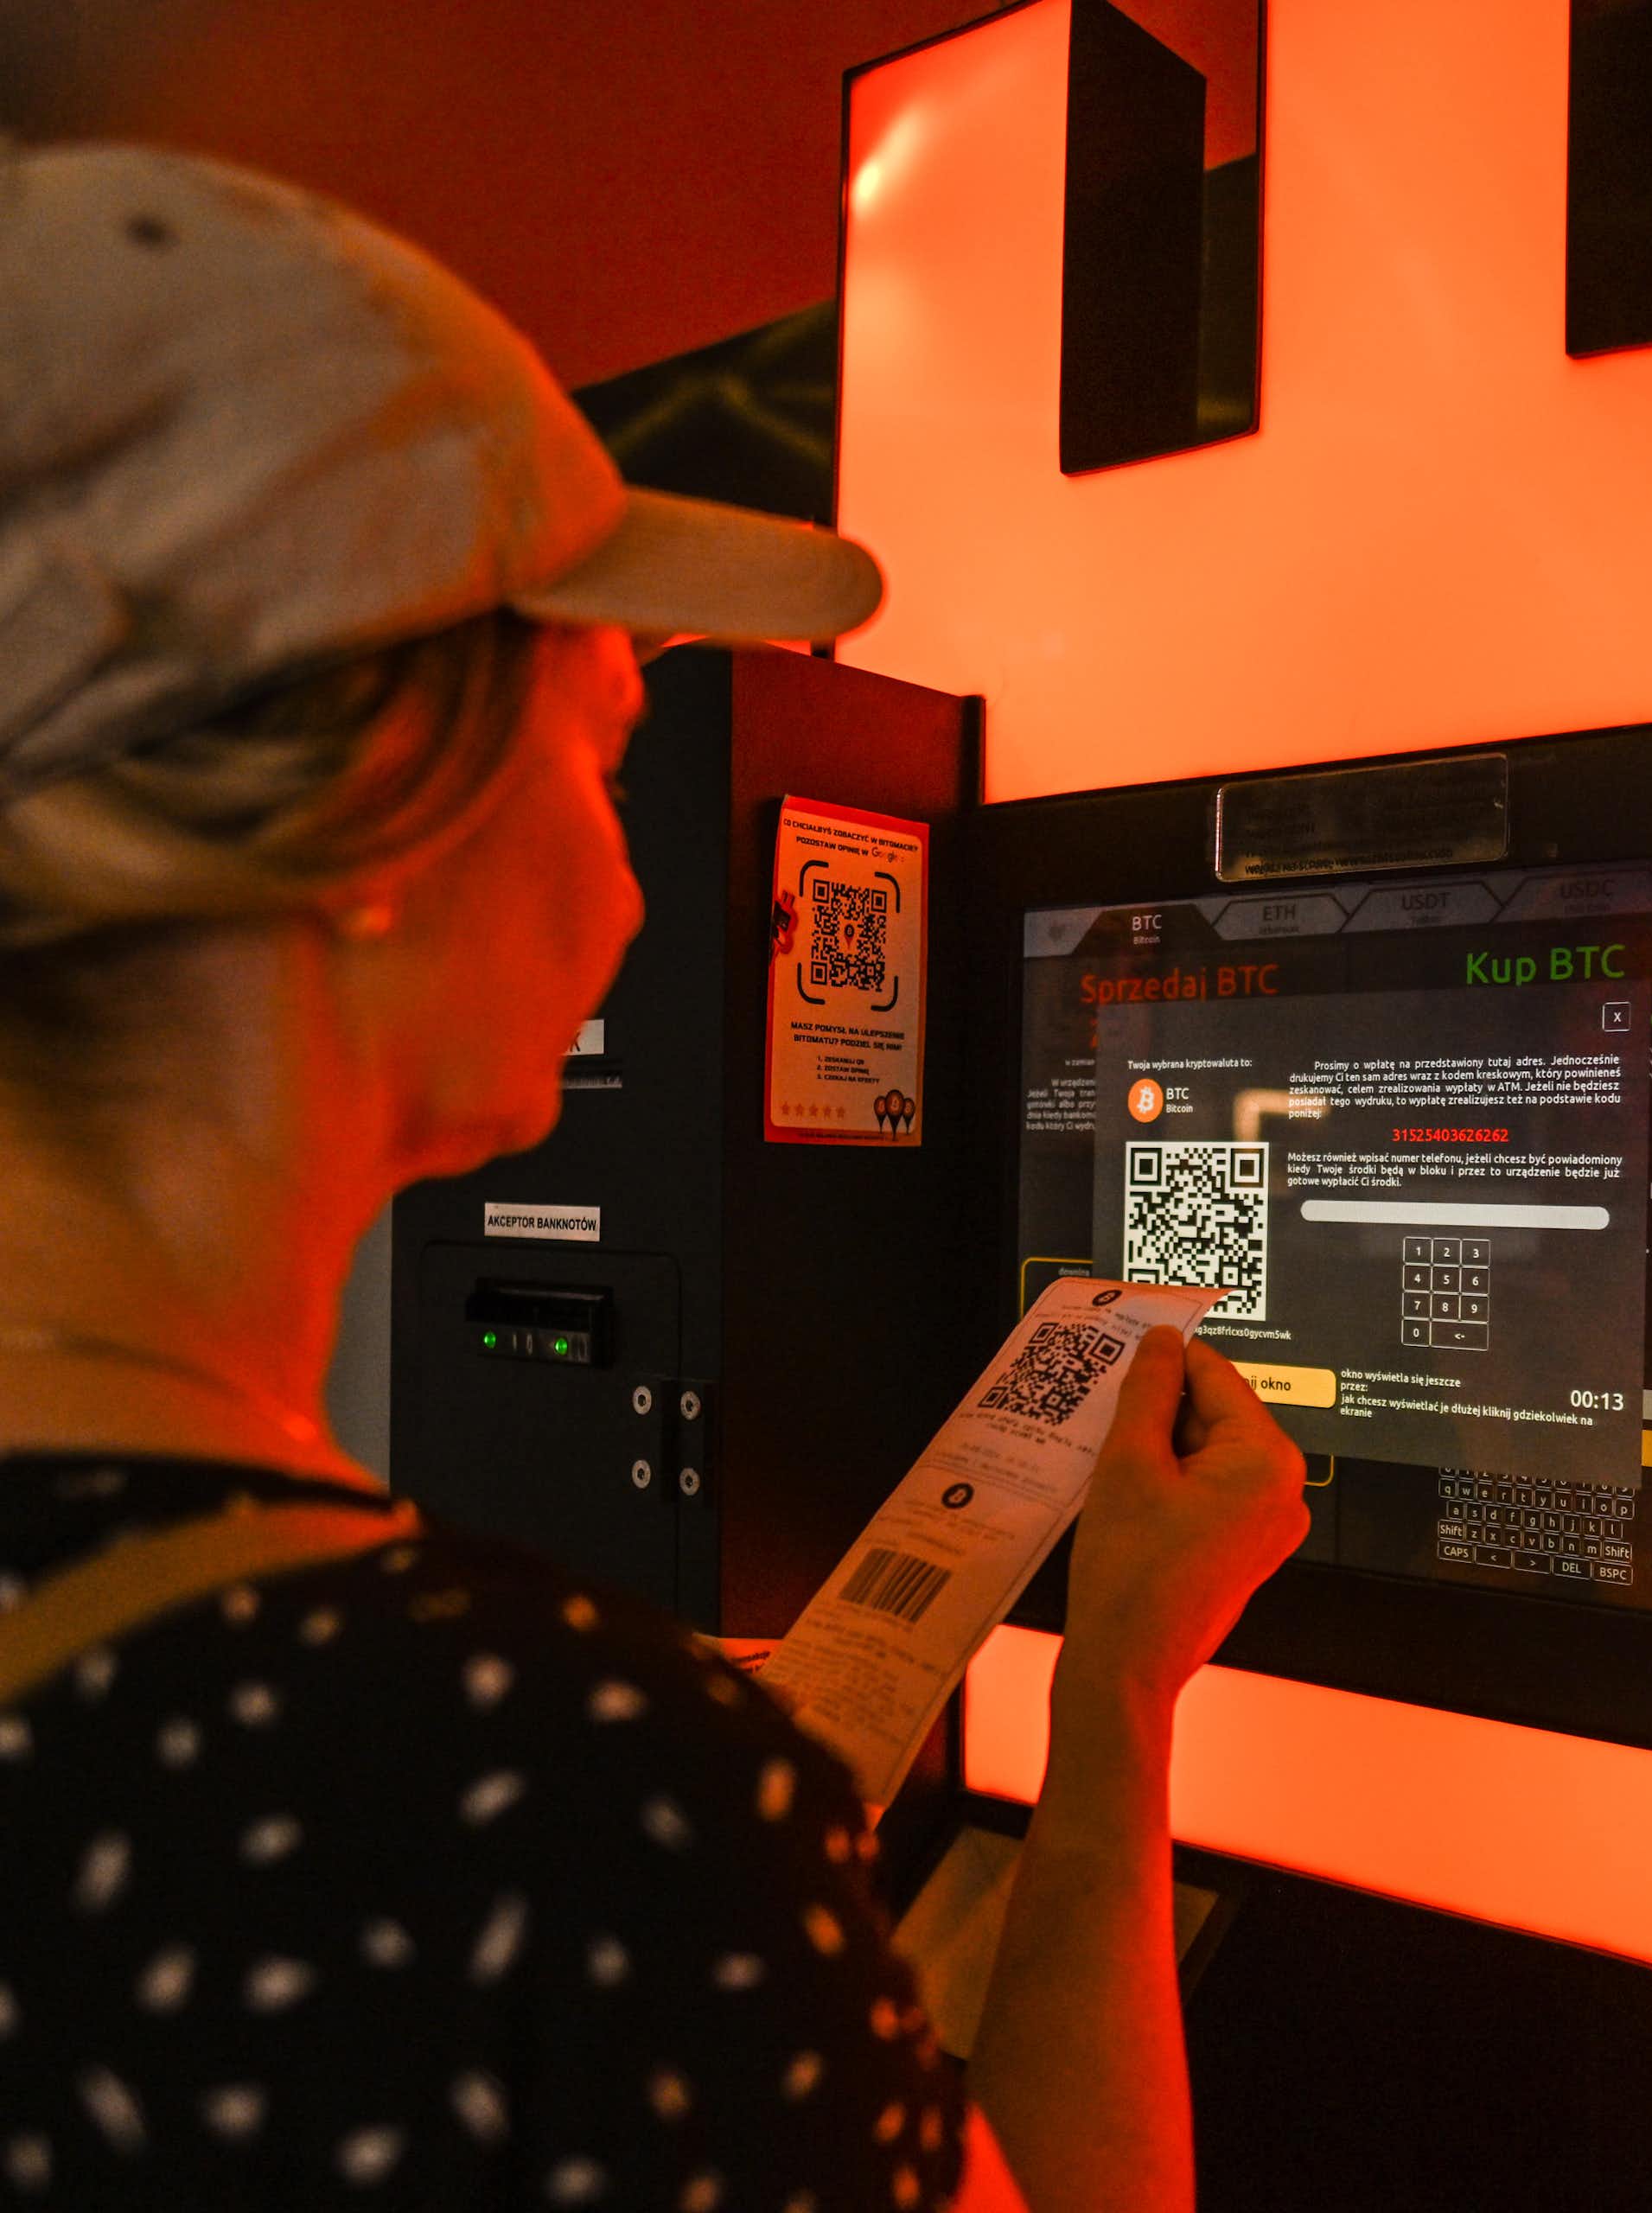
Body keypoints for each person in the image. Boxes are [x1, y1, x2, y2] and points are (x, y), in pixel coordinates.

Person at [0, 143, 1311, 2210]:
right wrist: (1120, 1686)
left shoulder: (529, 1772)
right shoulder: (538, 1806)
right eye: (601, 745)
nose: (631, 874)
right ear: (375, 818)